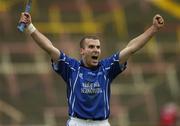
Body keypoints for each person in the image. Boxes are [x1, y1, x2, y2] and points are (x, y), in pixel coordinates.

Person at [19, 12, 164, 126]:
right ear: (82, 51)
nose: (96, 50)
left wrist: (153, 29)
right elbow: (49, 47)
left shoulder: (107, 67)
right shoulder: (71, 67)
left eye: (98, 47)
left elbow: (131, 48)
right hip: (77, 123)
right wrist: (31, 27)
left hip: (102, 123)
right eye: (91, 47)